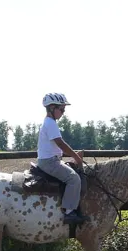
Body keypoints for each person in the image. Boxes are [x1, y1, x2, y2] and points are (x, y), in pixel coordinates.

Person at [37, 93, 89, 224]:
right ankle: (69, 213)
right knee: (74, 179)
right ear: (52, 108)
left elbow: (58, 146)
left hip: (51, 160)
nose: (63, 112)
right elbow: (60, 143)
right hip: (50, 162)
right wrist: (76, 157)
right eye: (62, 109)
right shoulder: (50, 123)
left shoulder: (50, 123)